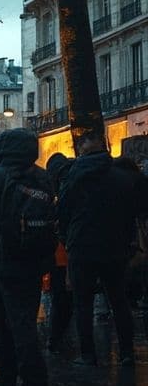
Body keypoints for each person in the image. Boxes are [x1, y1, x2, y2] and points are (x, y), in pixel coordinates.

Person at [0, 128, 55, 386]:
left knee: (12, 325)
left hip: (4, 261)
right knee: (20, 322)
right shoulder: (42, 176)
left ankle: (26, 385)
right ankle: (18, 383)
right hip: (34, 261)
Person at [58, 130, 148, 366]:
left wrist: (68, 237)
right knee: (118, 300)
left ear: (81, 150)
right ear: (105, 148)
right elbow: (134, 210)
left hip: (82, 245)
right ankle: (126, 352)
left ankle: (88, 354)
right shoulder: (121, 177)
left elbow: (63, 211)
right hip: (114, 245)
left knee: (83, 303)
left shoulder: (74, 176)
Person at [44, 153, 74, 354]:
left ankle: (55, 339)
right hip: (79, 249)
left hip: (61, 253)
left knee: (60, 297)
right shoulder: (76, 182)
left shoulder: (60, 190)